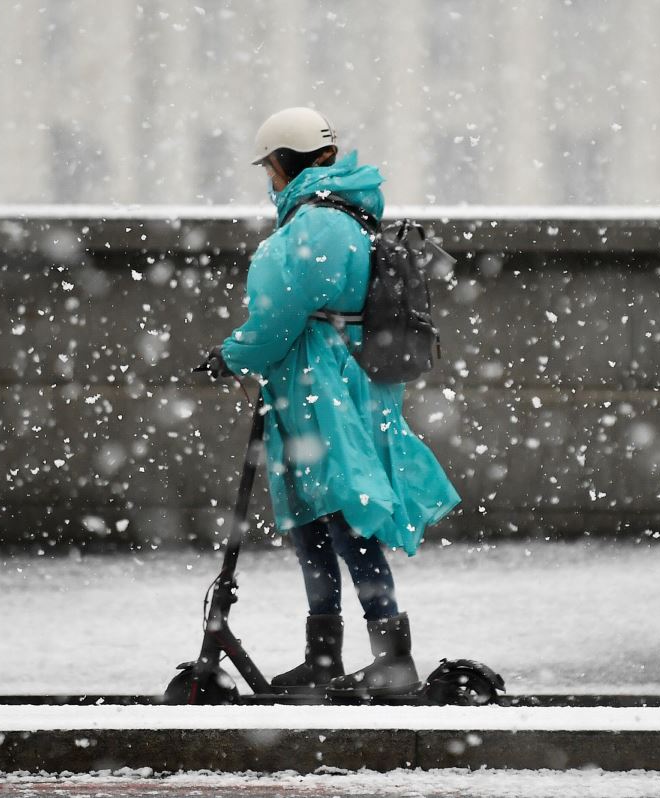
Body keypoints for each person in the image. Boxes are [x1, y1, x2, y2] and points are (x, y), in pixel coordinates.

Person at [202, 107, 460, 699]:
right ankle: (325, 657)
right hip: (329, 384)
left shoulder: (318, 224)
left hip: (326, 388)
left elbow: (282, 312)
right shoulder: (341, 214)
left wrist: (234, 352)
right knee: (314, 518)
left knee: (344, 514)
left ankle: (391, 659)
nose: (267, 178)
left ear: (286, 161)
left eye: (269, 166)